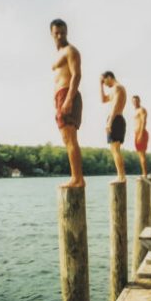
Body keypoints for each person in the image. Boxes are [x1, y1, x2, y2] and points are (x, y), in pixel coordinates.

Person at [51, 19, 84, 189]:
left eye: (63, 32)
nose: (60, 36)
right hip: (60, 96)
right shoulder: (58, 54)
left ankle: (77, 178)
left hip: (67, 95)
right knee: (67, 139)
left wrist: (69, 99)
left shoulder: (70, 51)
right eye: (56, 33)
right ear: (51, 34)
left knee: (70, 139)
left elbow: (76, 75)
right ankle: (76, 177)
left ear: (67, 32)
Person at [101, 68, 128, 179]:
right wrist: (100, 85)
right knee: (114, 149)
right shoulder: (115, 89)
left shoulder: (117, 88)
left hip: (115, 119)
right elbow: (103, 99)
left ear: (109, 77)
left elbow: (116, 105)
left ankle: (121, 176)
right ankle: (121, 175)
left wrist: (110, 122)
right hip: (115, 118)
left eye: (104, 81)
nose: (104, 83)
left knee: (115, 149)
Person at [131, 93, 150, 178]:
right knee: (140, 154)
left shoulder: (142, 110)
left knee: (142, 155)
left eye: (136, 101)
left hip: (141, 133)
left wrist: (141, 134)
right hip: (137, 134)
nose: (135, 102)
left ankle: (145, 174)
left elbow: (143, 122)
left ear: (139, 101)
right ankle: (144, 173)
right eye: (133, 101)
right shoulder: (135, 111)